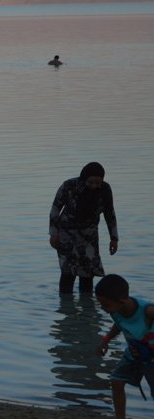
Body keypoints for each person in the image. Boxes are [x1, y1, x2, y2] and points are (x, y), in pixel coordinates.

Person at [50, 162, 118, 293]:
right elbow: (55, 209)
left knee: (88, 274)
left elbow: (110, 214)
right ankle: (67, 308)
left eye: (98, 183)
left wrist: (114, 238)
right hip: (66, 235)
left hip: (89, 236)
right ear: (83, 178)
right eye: (91, 182)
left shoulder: (105, 190)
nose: (94, 186)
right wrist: (54, 234)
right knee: (68, 273)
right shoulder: (69, 186)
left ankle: (87, 309)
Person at [94, 274, 154, 419]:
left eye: (106, 304)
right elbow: (119, 323)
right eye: (101, 304)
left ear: (121, 301)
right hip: (133, 353)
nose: (103, 309)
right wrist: (105, 340)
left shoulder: (148, 311)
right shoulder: (116, 310)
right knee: (116, 381)